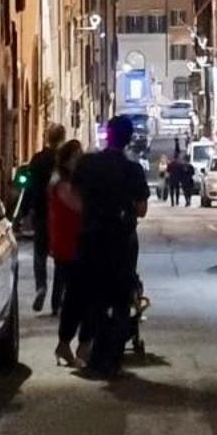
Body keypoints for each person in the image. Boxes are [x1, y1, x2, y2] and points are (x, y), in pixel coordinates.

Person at [63, 115, 150, 375]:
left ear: (107, 135)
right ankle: (111, 358)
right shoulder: (132, 170)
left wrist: (90, 211)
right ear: (128, 138)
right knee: (121, 301)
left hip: (89, 238)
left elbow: (72, 195)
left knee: (93, 297)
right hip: (120, 242)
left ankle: (92, 353)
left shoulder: (88, 164)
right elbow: (142, 209)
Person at [18, 122, 66, 313]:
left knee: (40, 253)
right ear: (62, 138)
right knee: (61, 258)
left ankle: (41, 286)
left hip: (41, 213)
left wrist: (24, 212)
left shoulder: (37, 159)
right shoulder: (65, 159)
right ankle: (57, 299)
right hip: (61, 215)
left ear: (47, 138)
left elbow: (29, 187)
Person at [47, 138, 83, 356]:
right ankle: (67, 343)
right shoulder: (59, 183)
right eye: (76, 157)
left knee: (75, 294)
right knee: (75, 295)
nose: (79, 161)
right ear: (67, 160)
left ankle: (69, 343)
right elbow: (76, 207)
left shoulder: (71, 182)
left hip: (76, 243)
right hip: (68, 244)